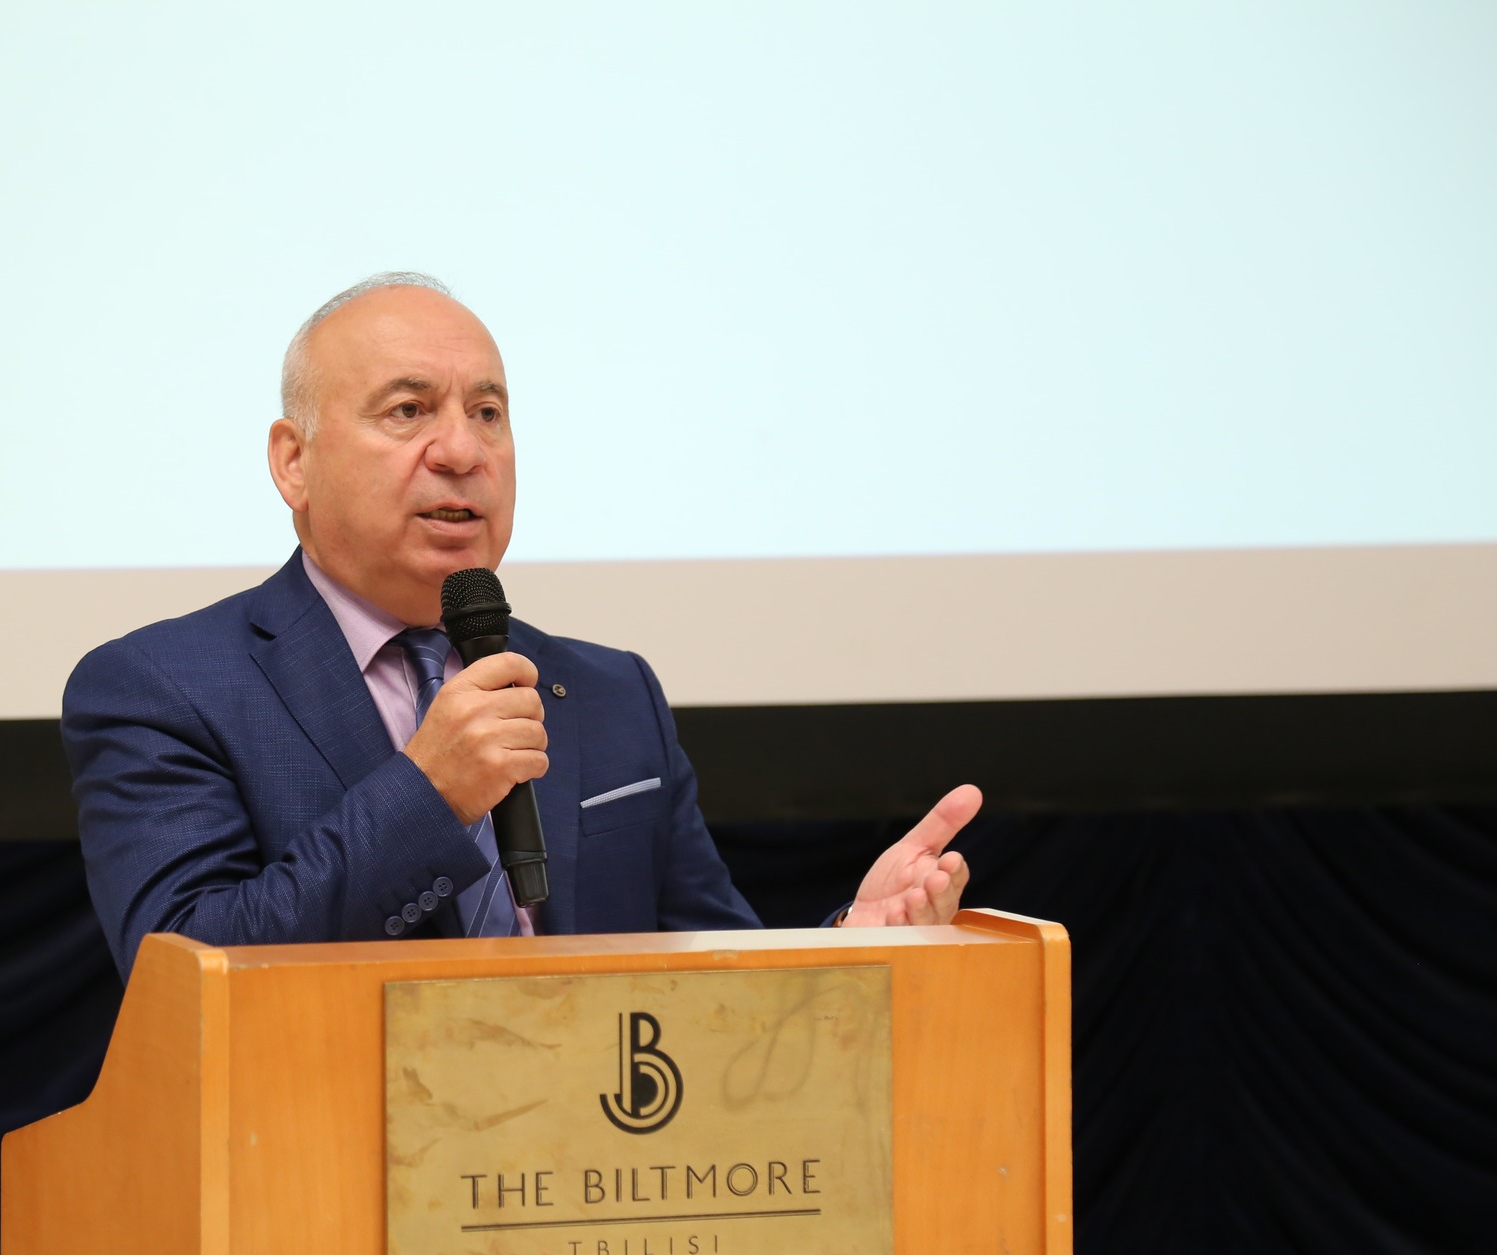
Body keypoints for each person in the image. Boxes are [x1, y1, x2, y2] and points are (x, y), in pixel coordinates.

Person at [63, 273, 980, 977]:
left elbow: (711, 973)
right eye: (409, 410)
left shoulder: (613, 693)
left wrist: (853, 942)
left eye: (488, 413)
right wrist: (428, 796)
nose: (463, 450)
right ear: (293, 462)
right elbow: (186, 974)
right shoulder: (164, 689)